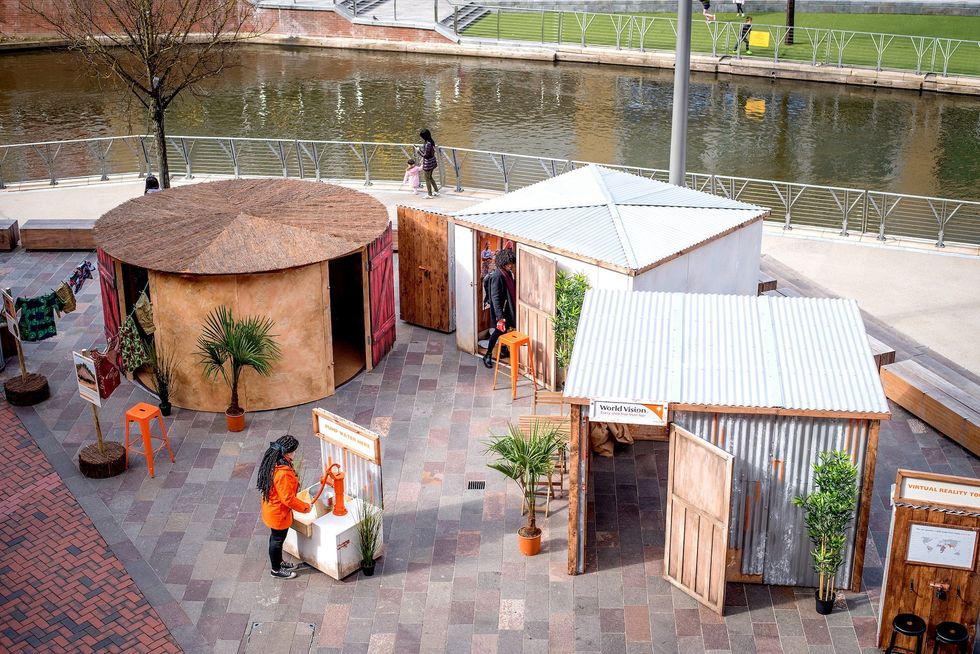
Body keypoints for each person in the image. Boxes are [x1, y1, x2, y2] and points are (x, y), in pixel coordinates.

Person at [257, 435, 311, 579]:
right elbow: (288, 499)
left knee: (276, 539)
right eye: (293, 451)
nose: (295, 454)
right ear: (286, 453)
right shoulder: (283, 474)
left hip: (272, 508)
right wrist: (306, 507)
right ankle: (276, 570)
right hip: (278, 514)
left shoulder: (274, 463)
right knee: (277, 540)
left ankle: (279, 562)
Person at [482, 248, 516, 369]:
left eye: (511, 263)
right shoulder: (497, 276)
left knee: (504, 331)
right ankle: (488, 354)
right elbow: (495, 298)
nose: (510, 265)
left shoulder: (507, 273)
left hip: (506, 308)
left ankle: (502, 351)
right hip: (500, 311)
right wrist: (500, 317)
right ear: (503, 262)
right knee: (498, 331)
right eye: (508, 263)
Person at [418, 128, 439, 198]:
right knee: (430, 177)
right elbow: (428, 153)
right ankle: (436, 190)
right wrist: (421, 150)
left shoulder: (428, 144)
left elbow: (426, 156)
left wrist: (418, 151)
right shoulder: (431, 141)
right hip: (432, 162)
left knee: (427, 178)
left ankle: (429, 194)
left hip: (428, 164)